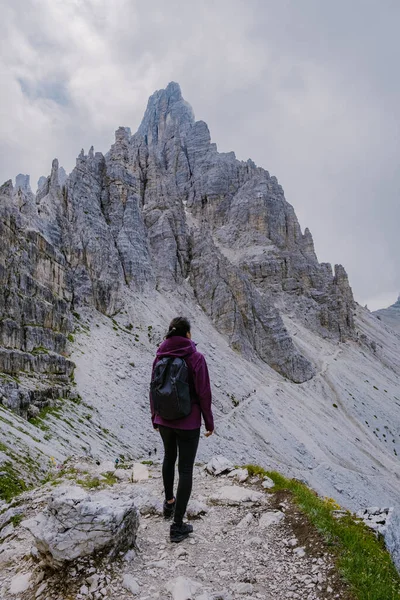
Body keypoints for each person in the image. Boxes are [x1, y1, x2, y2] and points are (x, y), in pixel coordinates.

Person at [150, 316, 214, 543]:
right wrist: (209, 422)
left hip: (165, 420)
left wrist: (155, 417)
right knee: (185, 469)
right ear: (188, 334)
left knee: (168, 458)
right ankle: (177, 526)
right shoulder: (195, 357)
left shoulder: (159, 356)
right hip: (188, 422)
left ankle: (169, 504)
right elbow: (204, 392)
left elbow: (153, 388)